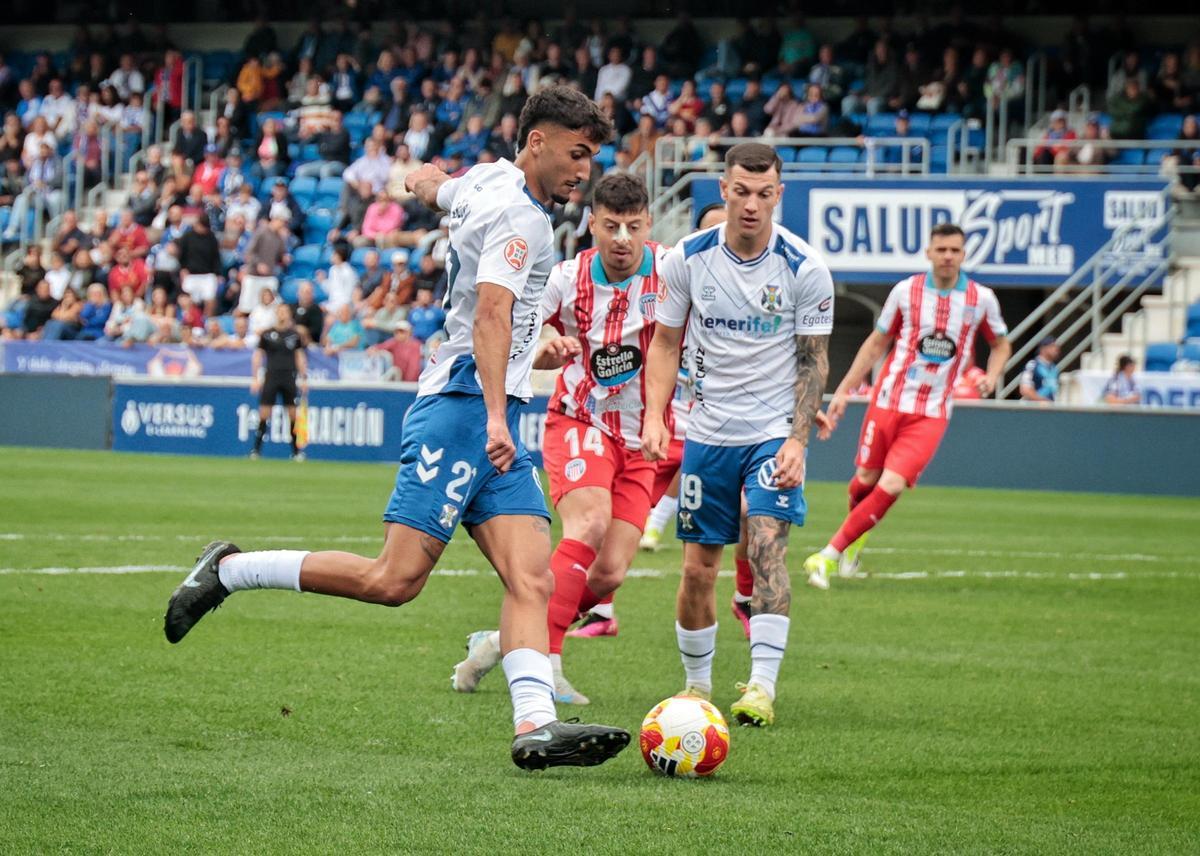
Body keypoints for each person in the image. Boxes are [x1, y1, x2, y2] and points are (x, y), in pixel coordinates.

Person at [162, 86, 630, 771]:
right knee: (393, 580)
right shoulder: (520, 220)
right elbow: (491, 317)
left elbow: (425, 182)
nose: (585, 170)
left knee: (530, 576)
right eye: (577, 153)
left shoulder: (489, 182)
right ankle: (231, 570)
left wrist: (429, 187)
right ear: (538, 143)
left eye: (592, 155)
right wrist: (500, 412)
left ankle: (535, 725)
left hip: (488, 404)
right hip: (468, 406)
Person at [451, 174, 667, 704]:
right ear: (591, 223)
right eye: (610, 226)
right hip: (579, 420)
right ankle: (546, 664)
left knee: (611, 572)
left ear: (648, 226)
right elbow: (517, 326)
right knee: (588, 524)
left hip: (641, 438)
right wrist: (543, 350)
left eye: (632, 227)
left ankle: (503, 641)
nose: (621, 238)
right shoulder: (566, 278)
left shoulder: (672, 271)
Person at [640, 142, 835, 728]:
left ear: (780, 194)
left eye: (764, 193)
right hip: (706, 433)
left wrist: (797, 441)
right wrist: (655, 416)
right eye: (741, 192)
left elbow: (813, 362)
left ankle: (761, 688)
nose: (752, 204)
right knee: (699, 567)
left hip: (772, 431)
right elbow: (666, 343)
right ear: (723, 191)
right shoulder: (686, 259)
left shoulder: (805, 268)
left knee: (767, 544)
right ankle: (697, 688)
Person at [802, 223, 1012, 589]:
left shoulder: (982, 299)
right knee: (864, 482)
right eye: (941, 249)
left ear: (964, 255)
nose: (948, 256)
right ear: (929, 252)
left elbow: (1001, 344)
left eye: (955, 250)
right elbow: (876, 343)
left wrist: (992, 377)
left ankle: (828, 555)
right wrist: (844, 391)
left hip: (932, 411)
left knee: (893, 483)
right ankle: (855, 541)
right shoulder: (906, 292)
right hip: (887, 401)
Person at [250, 303, 308, 461]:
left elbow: (299, 357)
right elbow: (257, 356)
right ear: (276, 313)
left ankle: (296, 452)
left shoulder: (293, 335)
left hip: (289, 377)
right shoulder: (267, 334)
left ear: (289, 314)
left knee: (292, 414)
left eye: (285, 311)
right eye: (280, 311)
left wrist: (304, 378)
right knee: (264, 413)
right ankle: (256, 450)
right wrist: (255, 378)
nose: (282, 314)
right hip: (271, 377)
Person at [1020, 336, 1060, 403]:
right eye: (1052, 346)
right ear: (1043, 348)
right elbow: (1025, 389)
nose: (1056, 349)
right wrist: (1042, 401)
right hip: (1036, 409)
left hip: (1052, 409)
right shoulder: (1032, 365)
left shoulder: (1054, 368)